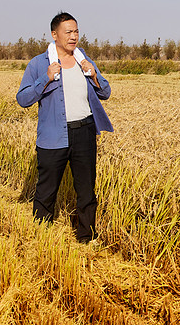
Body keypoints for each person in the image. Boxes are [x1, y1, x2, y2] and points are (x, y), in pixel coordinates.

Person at [16, 12, 113, 244]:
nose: (74, 36)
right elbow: (23, 98)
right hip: (53, 135)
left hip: (84, 132)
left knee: (86, 190)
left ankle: (86, 238)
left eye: (76, 31)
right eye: (68, 32)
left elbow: (105, 92)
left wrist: (93, 74)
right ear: (54, 35)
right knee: (46, 191)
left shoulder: (83, 60)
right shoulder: (39, 64)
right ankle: (42, 238)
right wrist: (46, 78)